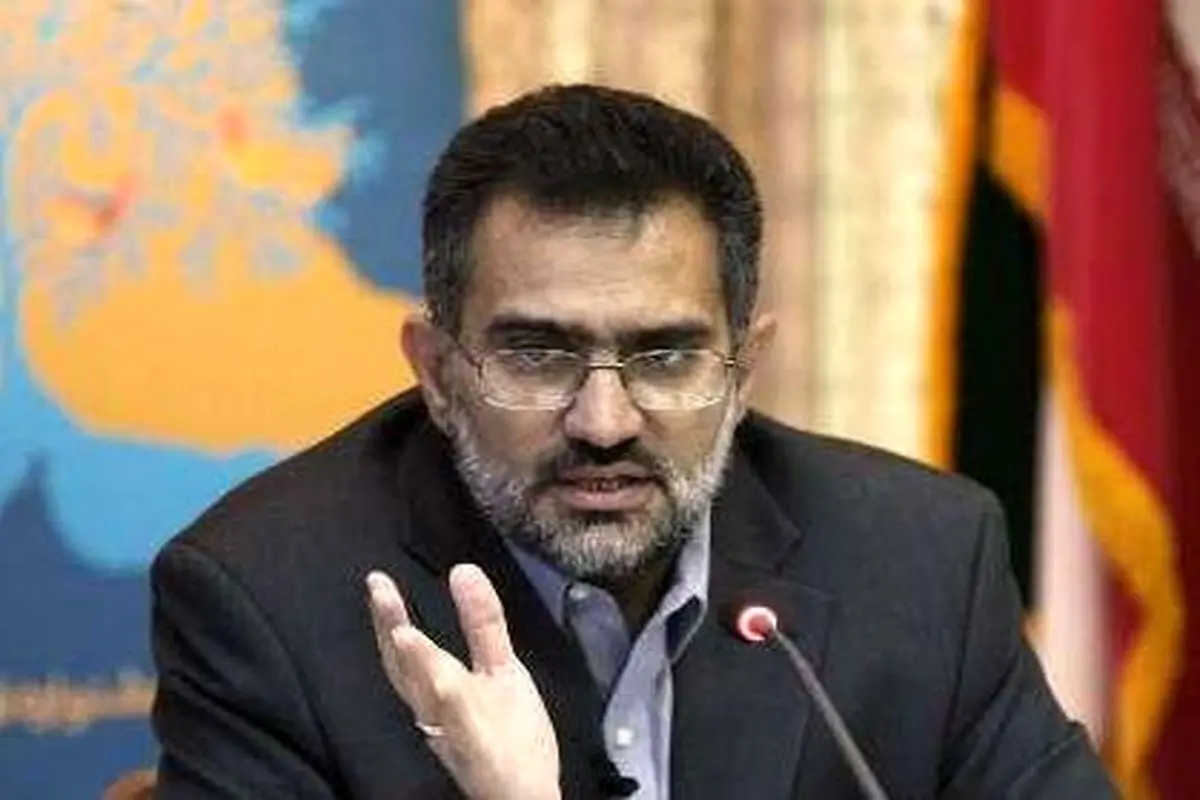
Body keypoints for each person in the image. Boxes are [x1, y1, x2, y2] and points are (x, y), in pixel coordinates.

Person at [149, 84, 1116, 799]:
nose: (604, 423)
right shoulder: (267, 601)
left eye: (666, 357)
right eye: (538, 355)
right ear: (438, 374)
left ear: (744, 370)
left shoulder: (920, 560)